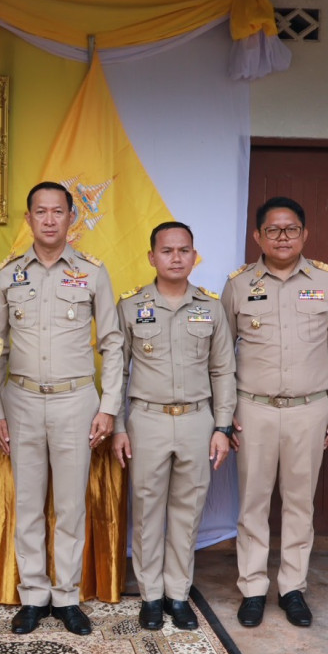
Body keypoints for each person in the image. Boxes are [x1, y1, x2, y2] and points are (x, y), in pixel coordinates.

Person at [0, 181, 124, 636]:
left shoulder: (92, 272)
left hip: (75, 401)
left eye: (58, 211)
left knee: (70, 506)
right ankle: (33, 596)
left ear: (71, 218)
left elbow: (113, 343)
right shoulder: (8, 275)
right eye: (40, 212)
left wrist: (109, 406)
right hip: (21, 400)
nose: (49, 219)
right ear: (28, 219)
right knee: (28, 503)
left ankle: (66, 597)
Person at [222, 197, 328, 629]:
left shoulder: (326, 281)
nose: (283, 237)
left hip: (309, 409)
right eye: (273, 230)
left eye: (291, 229)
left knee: (300, 504)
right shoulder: (238, 285)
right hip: (253, 409)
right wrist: (224, 414)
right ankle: (252, 588)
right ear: (257, 236)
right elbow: (220, 356)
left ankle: (292, 588)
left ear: (304, 234)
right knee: (253, 503)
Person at [111, 221, 236, 631]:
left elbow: (223, 370)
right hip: (147, 419)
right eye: (167, 251)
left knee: (188, 511)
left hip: (198, 420)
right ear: (152, 257)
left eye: (184, 250)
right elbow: (117, 370)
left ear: (194, 256)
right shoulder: (130, 306)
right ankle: (151, 596)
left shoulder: (210, 307)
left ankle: (178, 594)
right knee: (147, 511)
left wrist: (222, 427)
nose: (176, 258)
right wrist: (118, 426)